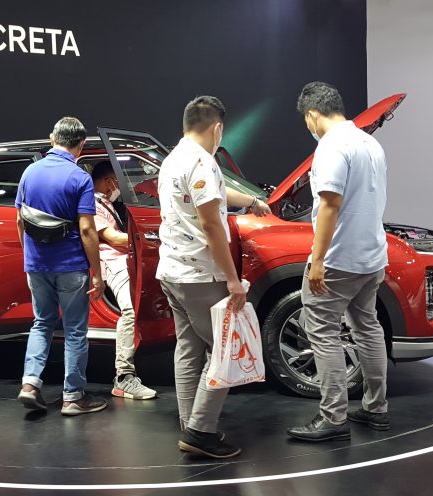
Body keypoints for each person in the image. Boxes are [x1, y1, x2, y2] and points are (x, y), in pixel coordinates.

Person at [157, 95, 270, 459]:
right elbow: (211, 224)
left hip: (172, 271)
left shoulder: (173, 159)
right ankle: (201, 431)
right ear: (218, 128)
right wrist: (233, 280)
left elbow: (214, 195)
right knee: (225, 350)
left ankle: (190, 424)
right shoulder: (202, 162)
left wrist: (250, 201)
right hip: (201, 275)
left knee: (188, 349)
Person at [286, 82, 390, 443]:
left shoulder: (331, 146)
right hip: (372, 255)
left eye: (306, 120)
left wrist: (317, 260)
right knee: (367, 327)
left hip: (339, 258)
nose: (308, 126)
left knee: (322, 331)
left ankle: (333, 417)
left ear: (313, 114)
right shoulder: (369, 143)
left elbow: (330, 204)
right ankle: (376, 408)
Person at [15, 117, 107, 416]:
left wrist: (29, 258)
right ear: (81, 145)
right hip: (70, 266)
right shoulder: (80, 177)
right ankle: (73, 397)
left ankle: (30, 384)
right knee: (75, 330)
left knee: (41, 323)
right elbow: (87, 229)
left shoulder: (30, 172)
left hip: (37, 265)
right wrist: (97, 273)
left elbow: (20, 220)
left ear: (52, 139)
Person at [89, 160, 157, 400]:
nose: (122, 187)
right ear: (110, 182)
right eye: (119, 182)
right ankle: (124, 377)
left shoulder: (107, 203)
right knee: (130, 311)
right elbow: (113, 238)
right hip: (113, 262)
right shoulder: (92, 204)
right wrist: (152, 237)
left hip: (125, 260)